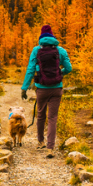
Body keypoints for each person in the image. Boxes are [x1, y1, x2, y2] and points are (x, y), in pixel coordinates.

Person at [21, 25, 72, 158]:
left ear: (41, 37)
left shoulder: (36, 50)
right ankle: (50, 148)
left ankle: (40, 142)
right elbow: (69, 68)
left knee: (40, 115)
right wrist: (60, 72)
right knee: (52, 118)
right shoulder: (60, 50)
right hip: (56, 88)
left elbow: (30, 70)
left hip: (41, 89)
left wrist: (24, 88)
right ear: (52, 35)